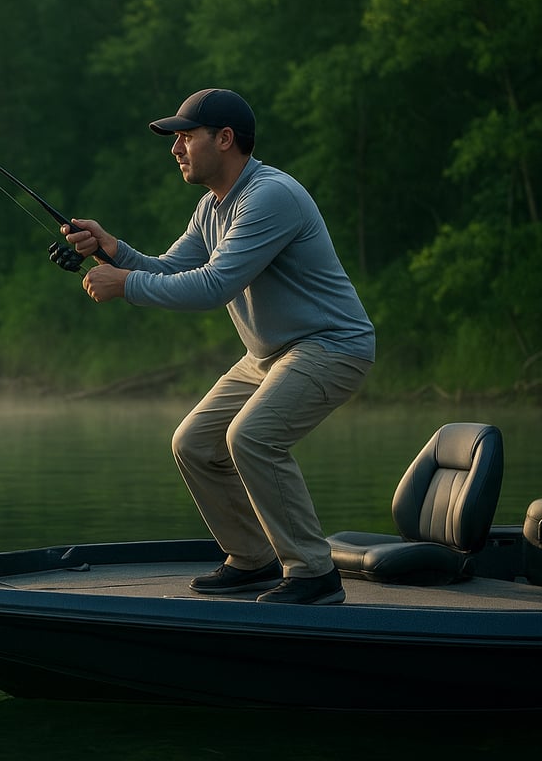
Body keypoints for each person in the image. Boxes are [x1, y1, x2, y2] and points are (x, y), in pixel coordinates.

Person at [61, 88, 375, 605]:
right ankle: (253, 558)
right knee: (193, 443)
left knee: (251, 437)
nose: (175, 148)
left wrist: (125, 285)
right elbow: (171, 267)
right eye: (175, 139)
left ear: (225, 139)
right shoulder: (212, 207)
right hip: (269, 356)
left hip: (332, 346)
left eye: (185, 136)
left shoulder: (269, 196)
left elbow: (212, 286)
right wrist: (114, 250)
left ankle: (314, 574)